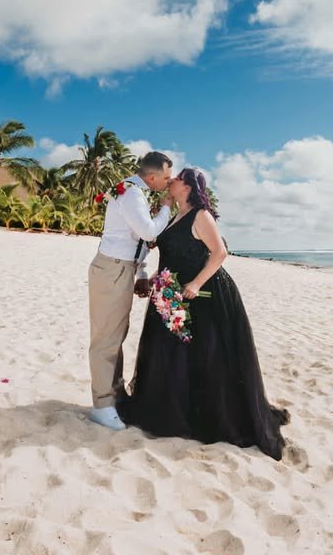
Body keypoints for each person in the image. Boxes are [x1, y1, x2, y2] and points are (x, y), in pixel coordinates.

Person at [118, 168, 289, 460]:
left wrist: (196, 284)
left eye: (175, 179)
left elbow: (219, 253)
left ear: (187, 186)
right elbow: (172, 256)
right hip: (173, 291)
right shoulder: (175, 216)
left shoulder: (201, 215)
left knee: (207, 358)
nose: (169, 181)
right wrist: (155, 280)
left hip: (206, 295)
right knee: (173, 355)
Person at [87, 151, 173, 431]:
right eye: (166, 178)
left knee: (116, 335)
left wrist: (142, 273)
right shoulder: (134, 194)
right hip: (112, 269)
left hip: (121, 268)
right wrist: (167, 208)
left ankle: (114, 395)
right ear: (152, 176)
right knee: (106, 339)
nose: (168, 183)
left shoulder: (134, 192)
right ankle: (102, 404)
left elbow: (137, 241)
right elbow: (149, 233)